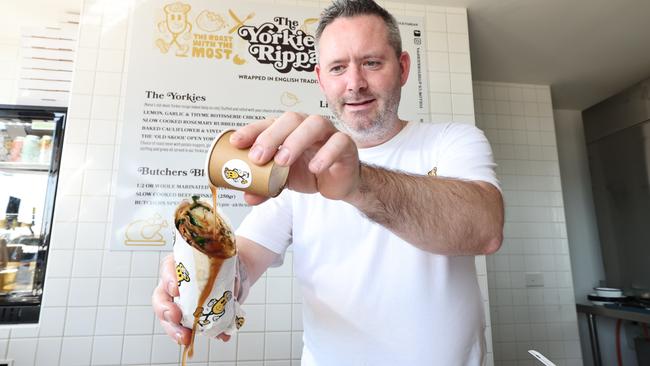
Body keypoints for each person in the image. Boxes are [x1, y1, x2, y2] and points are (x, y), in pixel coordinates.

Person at [152, 0, 504, 364]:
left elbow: (486, 229)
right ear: (321, 79)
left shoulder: (454, 141)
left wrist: (359, 184)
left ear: (401, 68)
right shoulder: (294, 162)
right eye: (338, 68)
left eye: (371, 62)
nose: (355, 83)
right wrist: (196, 275)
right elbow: (242, 267)